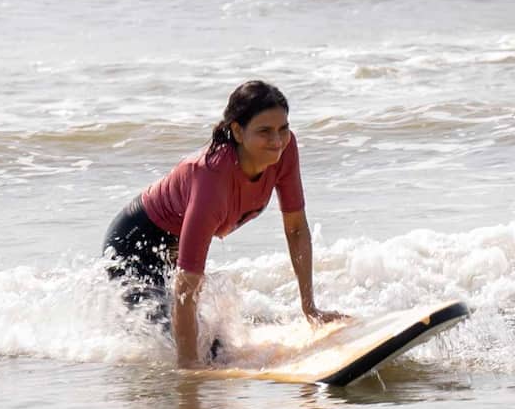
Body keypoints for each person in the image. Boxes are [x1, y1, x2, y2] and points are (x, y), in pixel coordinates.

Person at [103, 80, 347, 368]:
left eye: (283, 128)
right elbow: (186, 285)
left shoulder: (285, 150)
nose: (277, 141)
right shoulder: (211, 180)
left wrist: (310, 308)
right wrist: (189, 369)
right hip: (134, 244)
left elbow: (295, 228)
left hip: (174, 242)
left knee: (215, 348)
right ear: (237, 131)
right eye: (264, 131)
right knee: (188, 348)